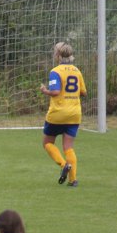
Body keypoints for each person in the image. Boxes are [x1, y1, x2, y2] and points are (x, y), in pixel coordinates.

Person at [39, 42, 87, 187]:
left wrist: (44, 90)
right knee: (68, 147)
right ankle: (73, 180)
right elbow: (84, 92)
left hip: (58, 114)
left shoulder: (56, 71)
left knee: (47, 143)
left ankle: (63, 164)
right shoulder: (77, 71)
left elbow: (55, 92)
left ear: (58, 55)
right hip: (74, 114)